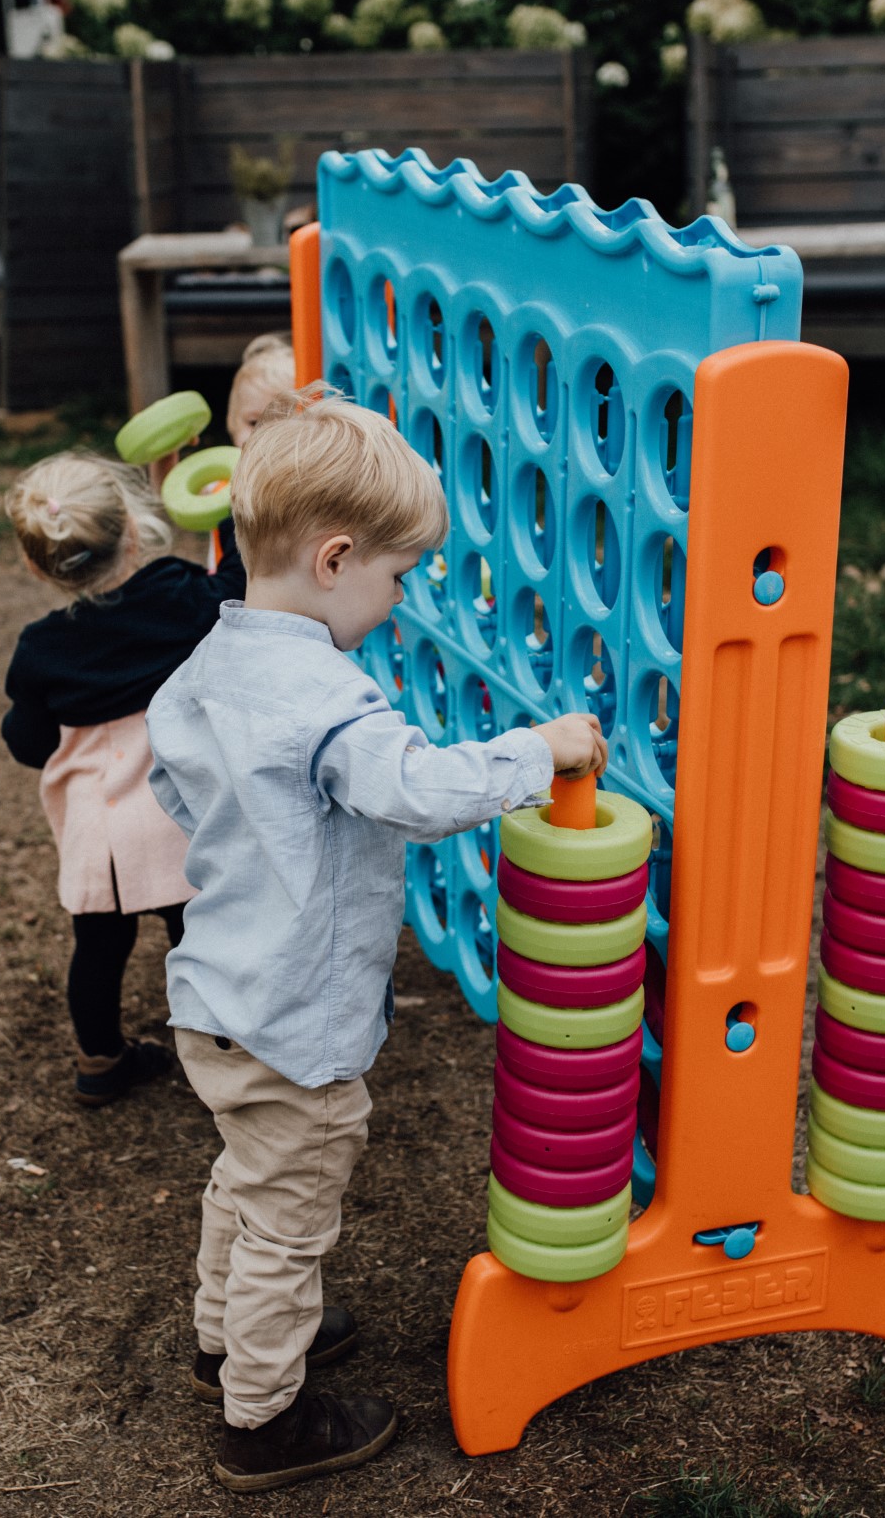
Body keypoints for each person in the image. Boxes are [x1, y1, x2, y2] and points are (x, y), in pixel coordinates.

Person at [147, 387, 607, 1492]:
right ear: (336, 559)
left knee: (245, 1181)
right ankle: (264, 1418)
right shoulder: (324, 696)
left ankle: (223, 1340)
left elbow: (170, 779)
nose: (401, 600)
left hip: (217, 997)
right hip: (291, 1024)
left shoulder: (210, 661)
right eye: (399, 576)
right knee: (288, 1221)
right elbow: (417, 790)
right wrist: (538, 751)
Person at [0, 451, 246, 1106]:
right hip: (180, 818)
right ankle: (223, 1056)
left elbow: (28, 744)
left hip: (100, 829)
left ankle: (101, 1062)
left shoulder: (42, 649)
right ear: (133, 531)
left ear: (37, 565)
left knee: (100, 947)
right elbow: (236, 582)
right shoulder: (179, 598)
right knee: (199, 938)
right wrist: (230, 507)